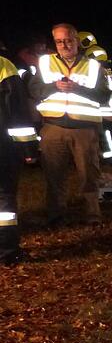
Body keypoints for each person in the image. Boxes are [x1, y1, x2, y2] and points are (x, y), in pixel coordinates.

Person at [28, 23, 111, 225]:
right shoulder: (45, 63)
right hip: (53, 127)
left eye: (68, 40)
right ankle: (56, 217)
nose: (64, 45)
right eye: (59, 41)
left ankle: (93, 216)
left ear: (76, 41)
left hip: (84, 129)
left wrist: (77, 89)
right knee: (54, 175)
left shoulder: (93, 66)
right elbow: (33, 90)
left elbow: (104, 95)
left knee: (89, 175)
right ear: (54, 43)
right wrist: (54, 86)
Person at [1, 47, 40, 263]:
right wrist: (28, 149)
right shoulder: (4, 67)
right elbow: (17, 113)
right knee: (4, 201)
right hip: (2, 148)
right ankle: (7, 252)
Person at [78, 30, 112, 164]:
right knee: (105, 135)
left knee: (106, 135)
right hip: (108, 107)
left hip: (105, 108)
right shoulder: (106, 67)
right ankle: (106, 157)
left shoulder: (97, 67)